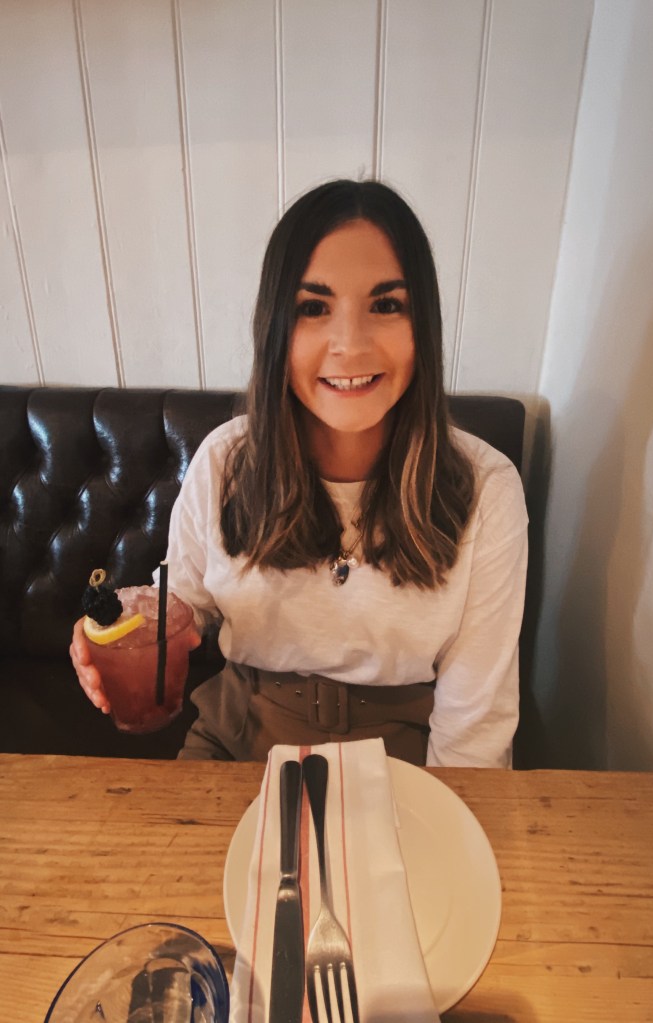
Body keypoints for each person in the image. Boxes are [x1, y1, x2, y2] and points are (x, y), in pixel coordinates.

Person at [71, 179, 528, 767]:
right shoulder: (225, 461)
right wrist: (121, 631)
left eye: (386, 305)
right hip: (239, 737)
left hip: (404, 755)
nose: (350, 345)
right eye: (313, 308)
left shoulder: (488, 488)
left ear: (424, 327)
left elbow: (474, 722)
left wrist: (447, 815)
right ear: (276, 329)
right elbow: (184, 604)